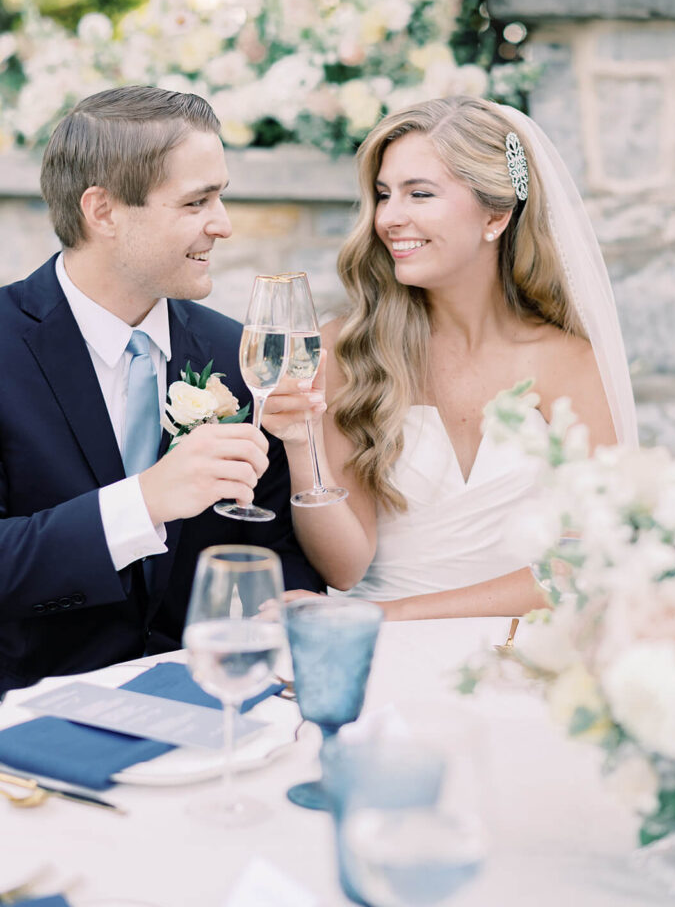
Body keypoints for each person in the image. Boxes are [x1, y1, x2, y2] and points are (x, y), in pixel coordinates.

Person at [263, 96, 638, 620]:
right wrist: (302, 446)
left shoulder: (570, 363)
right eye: (383, 195)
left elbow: (586, 561)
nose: (390, 217)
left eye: (419, 194)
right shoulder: (347, 349)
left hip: (522, 652)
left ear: (497, 215)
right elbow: (344, 569)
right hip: (377, 652)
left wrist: (391, 615)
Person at [0, 85, 320, 694]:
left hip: (209, 700)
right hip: (27, 718)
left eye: (219, 196)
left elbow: (272, 539)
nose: (222, 225)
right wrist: (144, 502)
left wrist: (290, 598)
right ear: (104, 212)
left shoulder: (237, 355)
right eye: (196, 202)